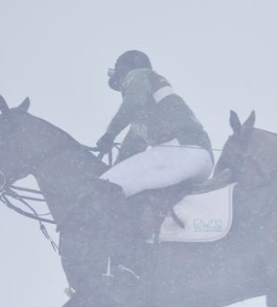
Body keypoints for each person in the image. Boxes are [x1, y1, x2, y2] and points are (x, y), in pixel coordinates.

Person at [90, 50, 215, 290]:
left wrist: (109, 134)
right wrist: (109, 166)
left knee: (106, 187)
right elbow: (128, 157)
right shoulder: (143, 116)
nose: (121, 87)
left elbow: (131, 104)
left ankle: (127, 263)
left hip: (182, 151)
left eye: (120, 81)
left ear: (124, 72)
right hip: (198, 157)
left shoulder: (139, 75)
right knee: (115, 184)